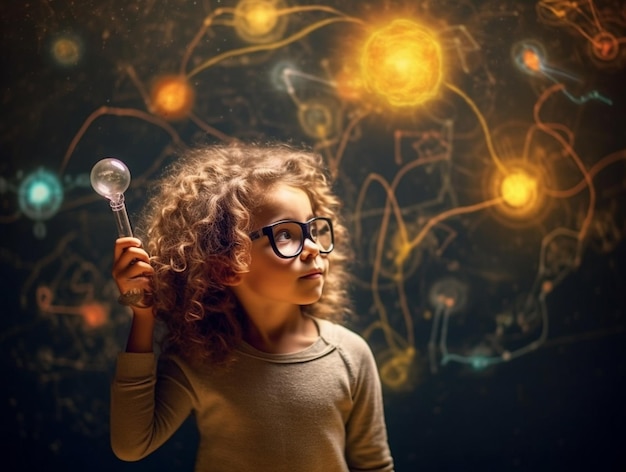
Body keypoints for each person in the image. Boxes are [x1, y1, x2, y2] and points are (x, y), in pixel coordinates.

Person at [110, 142, 394, 471]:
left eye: (313, 229)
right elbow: (132, 445)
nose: (314, 247)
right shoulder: (200, 361)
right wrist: (142, 316)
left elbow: (374, 466)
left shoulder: (350, 354)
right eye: (286, 235)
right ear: (224, 267)